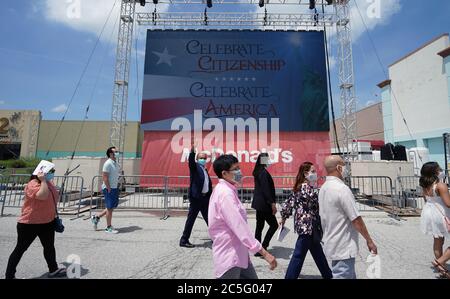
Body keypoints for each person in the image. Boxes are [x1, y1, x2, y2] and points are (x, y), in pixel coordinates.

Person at [208, 154, 277, 279]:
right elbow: (239, 226)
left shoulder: (228, 190)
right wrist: (263, 252)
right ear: (224, 173)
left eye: (239, 167)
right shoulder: (225, 194)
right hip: (230, 256)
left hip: (240, 254)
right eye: (236, 169)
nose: (240, 171)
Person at [318, 155, 378, 279]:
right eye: (344, 165)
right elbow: (356, 219)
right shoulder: (342, 189)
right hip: (343, 245)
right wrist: (369, 240)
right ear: (339, 167)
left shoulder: (324, 188)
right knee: (342, 274)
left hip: (332, 240)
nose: (346, 168)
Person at [5, 168, 66, 279]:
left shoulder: (48, 183)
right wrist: (42, 180)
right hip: (30, 223)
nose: (51, 174)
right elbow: (42, 196)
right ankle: (9, 275)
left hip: (47, 222)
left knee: (49, 247)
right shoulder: (32, 184)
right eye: (50, 171)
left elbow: (55, 197)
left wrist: (46, 182)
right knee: (20, 249)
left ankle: (53, 269)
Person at [280, 162, 332, 279]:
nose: (315, 173)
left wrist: (283, 218)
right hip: (307, 226)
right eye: (312, 171)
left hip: (307, 226)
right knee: (298, 255)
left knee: (317, 252)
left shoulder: (300, 187)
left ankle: (328, 275)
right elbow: (316, 204)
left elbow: (288, 204)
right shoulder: (306, 188)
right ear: (305, 173)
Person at [419, 162, 450, 279]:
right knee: (439, 241)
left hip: (429, 213)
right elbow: (448, 204)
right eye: (439, 169)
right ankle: (439, 261)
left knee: (438, 241)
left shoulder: (425, 185)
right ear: (435, 172)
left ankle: (441, 267)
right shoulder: (440, 185)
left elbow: (427, 200)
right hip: (442, 215)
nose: (441, 170)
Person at [179, 140, 212, 248]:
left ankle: (215, 237)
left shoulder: (204, 169)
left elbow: (207, 184)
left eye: (204, 158)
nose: (203, 159)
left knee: (210, 219)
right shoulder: (195, 167)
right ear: (197, 159)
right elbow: (191, 162)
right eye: (201, 158)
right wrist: (193, 150)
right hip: (196, 198)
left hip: (204, 198)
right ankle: (184, 240)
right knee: (191, 219)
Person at [252, 153, 278, 256]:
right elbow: (266, 190)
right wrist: (272, 203)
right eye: (267, 159)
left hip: (259, 204)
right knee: (274, 225)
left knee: (259, 226)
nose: (268, 161)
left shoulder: (258, 171)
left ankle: (257, 249)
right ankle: (264, 246)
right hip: (264, 204)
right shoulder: (263, 173)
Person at [91, 147, 121, 234]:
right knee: (109, 208)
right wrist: (108, 188)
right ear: (111, 153)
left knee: (111, 207)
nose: (118, 153)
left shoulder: (115, 163)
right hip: (109, 188)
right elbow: (105, 177)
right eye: (116, 151)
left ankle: (96, 217)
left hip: (114, 188)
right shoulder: (107, 163)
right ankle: (108, 227)